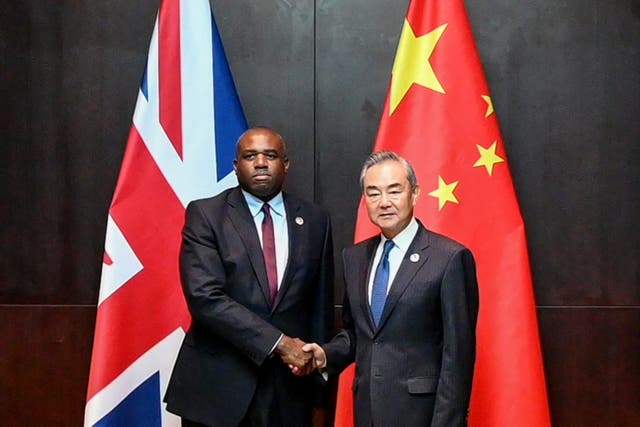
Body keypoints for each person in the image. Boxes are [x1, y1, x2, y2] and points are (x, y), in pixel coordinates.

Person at [164, 127, 334, 427]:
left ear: (286, 164)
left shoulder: (315, 220)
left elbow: (319, 307)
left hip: (290, 391)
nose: (260, 163)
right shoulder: (206, 215)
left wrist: (319, 394)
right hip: (218, 388)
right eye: (250, 156)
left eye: (270, 155)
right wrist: (281, 344)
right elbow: (205, 298)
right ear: (236, 165)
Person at [298, 151, 479, 426]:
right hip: (367, 412)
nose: (384, 203)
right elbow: (358, 334)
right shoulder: (355, 258)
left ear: (415, 194)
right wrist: (326, 355)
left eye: (394, 191)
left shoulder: (449, 258)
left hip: (423, 416)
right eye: (373, 194)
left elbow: (458, 357)